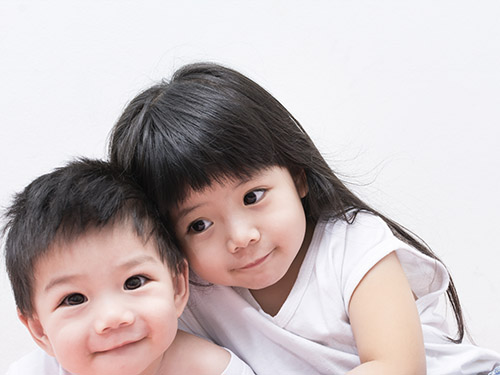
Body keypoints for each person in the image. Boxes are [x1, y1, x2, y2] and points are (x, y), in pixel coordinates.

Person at [109, 62, 500, 375]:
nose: (241, 237)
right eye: (199, 224)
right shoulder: (190, 293)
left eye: (252, 196)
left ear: (296, 176)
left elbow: (396, 366)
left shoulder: (354, 245)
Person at [2, 158, 255, 375]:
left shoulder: (214, 370)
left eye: (134, 282)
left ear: (177, 286)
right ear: (39, 330)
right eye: (74, 299)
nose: (112, 318)